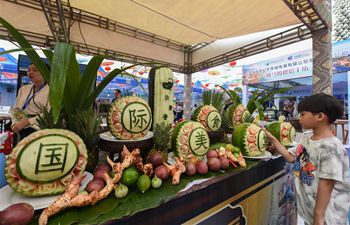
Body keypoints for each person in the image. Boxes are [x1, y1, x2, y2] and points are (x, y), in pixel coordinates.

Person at [264, 93, 350, 225]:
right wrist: (273, 140)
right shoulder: (306, 138)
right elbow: (291, 157)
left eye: (303, 114)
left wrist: (318, 216)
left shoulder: (331, 147)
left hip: (327, 216)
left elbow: (327, 183)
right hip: (310, 211)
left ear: (320, 117)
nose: (299, 118)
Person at [10, 63, 49, 140]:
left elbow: (49, 112)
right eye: (29, 70)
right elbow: (16, 108)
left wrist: (27, 122)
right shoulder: (23, 89)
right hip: (20, 126)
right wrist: (15, 122)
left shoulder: (51, 90)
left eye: (35, 70)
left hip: (38, 127)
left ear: (45, 72)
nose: (30, 72)